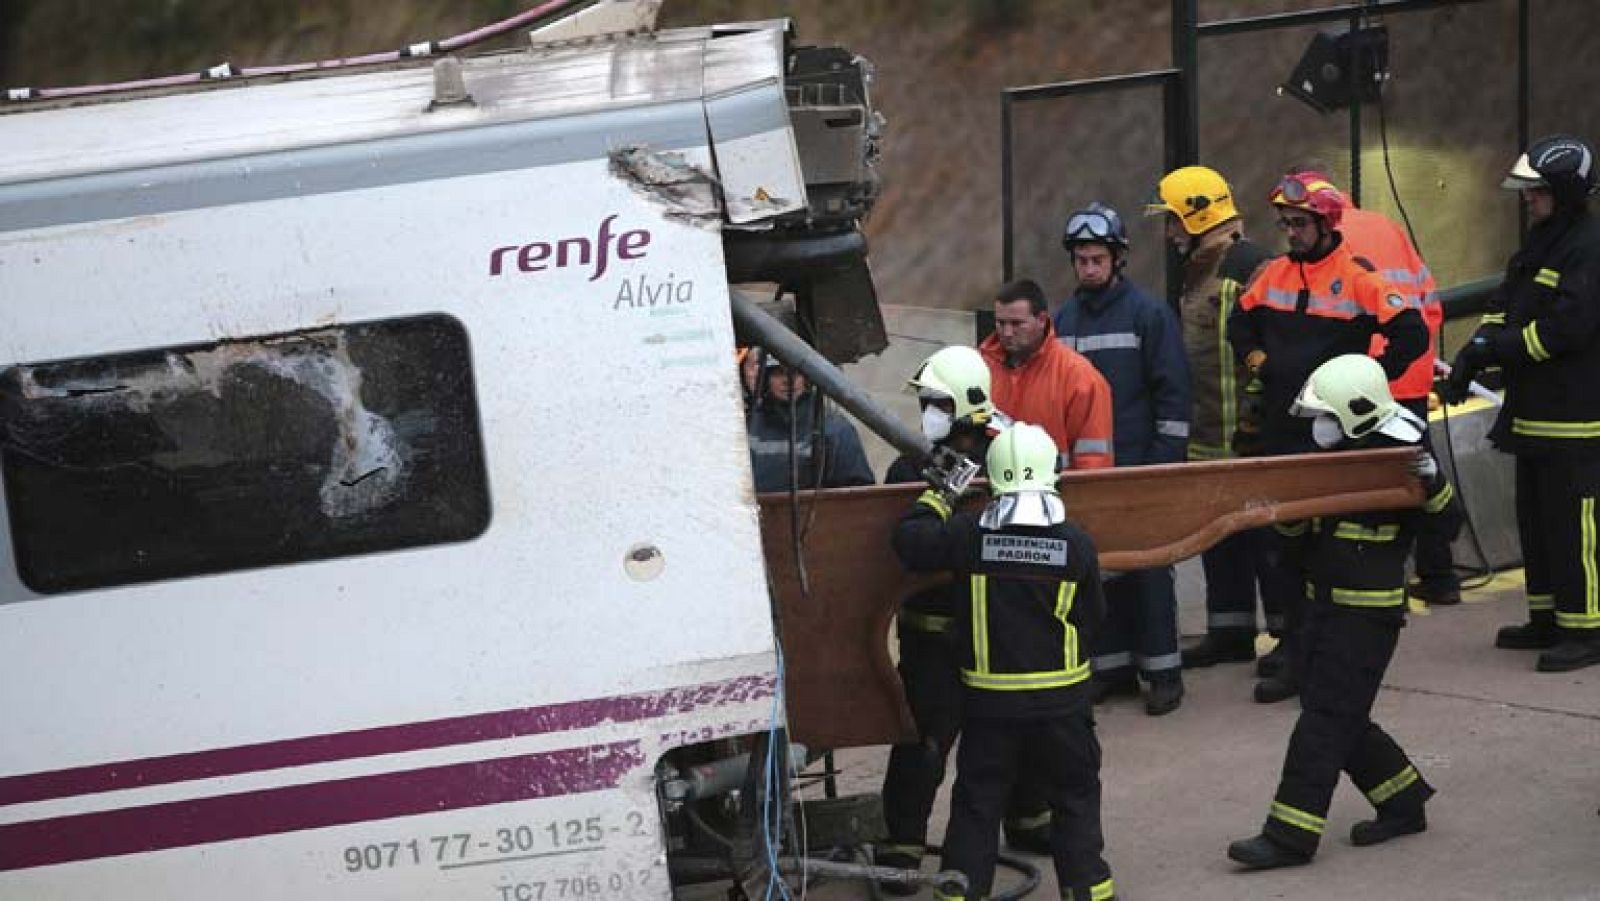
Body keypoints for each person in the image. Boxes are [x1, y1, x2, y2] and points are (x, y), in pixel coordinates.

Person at [1227, 354, 1454, 871]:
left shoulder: (1398, 458)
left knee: (1324, 721)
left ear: (1355, 412)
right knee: (1339, 712)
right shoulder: (1337, 461)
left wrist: (1432, 484)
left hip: (1367, 617)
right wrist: (1283, 511)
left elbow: (1446, 528)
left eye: (1325, 416)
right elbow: (1299, 544)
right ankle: (1402, 797)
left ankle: (1290, 835)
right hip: (1322, 606)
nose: (1318, 428)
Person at [1228, 171, 1429, 703]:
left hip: (1328, 438)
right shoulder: (1272, 275)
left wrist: (1376, 376)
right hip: (1278, 431)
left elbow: (1411, 330)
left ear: (1326, 223)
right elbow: (1239, 323)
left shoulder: (1358, 277)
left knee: (1319, 550)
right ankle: (1294, 643)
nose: (1290, 232)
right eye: (1286, 224)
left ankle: (1309, 650)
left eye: (1299, 224)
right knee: (1280, 546)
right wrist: (1256, 359)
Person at [892, 423, 1116, 901]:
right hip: (1063, 707)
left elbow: (911, 543)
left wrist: (939, 494)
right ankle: (1089, 892)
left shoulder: (969, 536)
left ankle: (960, 894)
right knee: (1075, 799)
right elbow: (1093, 616)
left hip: (991, 708)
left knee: (978, 803)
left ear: (993, 479)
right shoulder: (1076, 543)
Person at [877, 344, 1046, 885]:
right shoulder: (911, 464)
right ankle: (902, 847)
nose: (928, 413)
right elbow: (903, 539)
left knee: (1011, 730)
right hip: (932, 634)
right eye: (927, 402)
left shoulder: (1010, 453)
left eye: (937, 403)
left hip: (995, 627)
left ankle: (1030, 820)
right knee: (923, 743)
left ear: (968, 407)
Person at [1442, 134, 1600, 672]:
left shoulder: (1589, 246)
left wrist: (1499, 347)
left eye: (1537, 192)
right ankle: (1547, 618)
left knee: (1575, 527)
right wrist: (1471, 356)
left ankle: (1588, 629)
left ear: (1565, 191)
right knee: (1536, 522)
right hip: (1534, 415)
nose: (1528, 200)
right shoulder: (1539, 243)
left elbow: (1565, 330)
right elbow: (1503, 306)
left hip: (1578, 419)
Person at [1287, 165, 1464, 607]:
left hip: (1362, 382)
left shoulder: (1327, 245)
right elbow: (1428, 300)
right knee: (1419, 475)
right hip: (1410, 372)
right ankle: (1440, 575)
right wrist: (1419, 363)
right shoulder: (1386, 227)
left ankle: (1382, 583)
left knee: (1363, 489)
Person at [1054, 202, 1192, 715]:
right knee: (1098, 571)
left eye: (1097, 259)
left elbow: (1174, 395)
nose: (1089, 268)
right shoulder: (1062, 319)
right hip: (1089, 475)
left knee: (1150, 570)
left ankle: (1163, 675)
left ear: (1117, 260)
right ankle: (1108, 669)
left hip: (1139, 468)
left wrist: (1162, 465)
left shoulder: (1148, 314)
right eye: (1082, 260)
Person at [1144, 165, 1281, 672]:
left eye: (1172, 221)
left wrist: (1256, 423)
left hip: (1249, 440)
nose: (1167, 232)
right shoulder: (1199, 268)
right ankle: (1230, 631)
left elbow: (1269, 353)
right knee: (1220, 542)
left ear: (1196, 216)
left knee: (1269, 543)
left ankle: (1288, 637)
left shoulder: (1251, 267)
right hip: (1209, 439)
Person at [980, 278, 1114, 472]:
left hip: (1056, 497)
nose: (1007, 332)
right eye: (1001, 323)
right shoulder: (979, 369)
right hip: (990, 495)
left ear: (1042, 320)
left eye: (1017, 324)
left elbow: (1094, 462)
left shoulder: (1079, 378)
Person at [744, 349, 874, 492]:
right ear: (766, 378)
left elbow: (859, 495)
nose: (788, 380)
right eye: (779, 373)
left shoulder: (835, 430)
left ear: (808, 378)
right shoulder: (746, 428)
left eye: (796, 372)